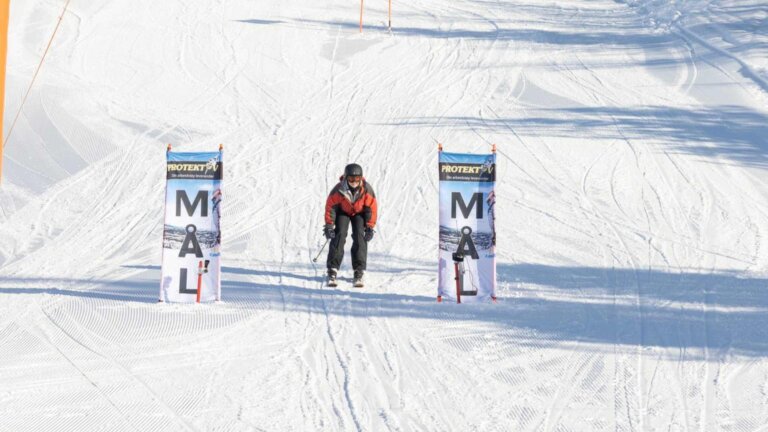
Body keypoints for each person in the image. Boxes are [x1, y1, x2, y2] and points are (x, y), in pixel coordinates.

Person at [323, 163, 377, 287]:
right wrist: (329, 225)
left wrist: (369, 227)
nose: (354, 182)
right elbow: (330, 207)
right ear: (346, 177)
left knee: (359, 235)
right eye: (351, 179)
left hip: (359, 213)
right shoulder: (338, 189)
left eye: (357, 179)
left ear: (361, 178)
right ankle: (332, 269)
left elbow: (371, 208)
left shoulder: (366, 189)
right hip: (343, 212)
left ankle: (359, 270)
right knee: (340, 234)